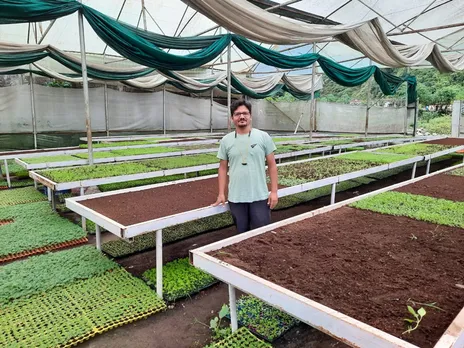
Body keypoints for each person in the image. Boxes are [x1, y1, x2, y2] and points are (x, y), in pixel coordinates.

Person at [212, 98, 278, 233]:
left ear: (251, 116)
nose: (241, 116)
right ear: (232, 118)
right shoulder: (226, 141)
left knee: (262, 236)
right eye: (237, 114)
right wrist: (221, 193)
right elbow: (223, 168)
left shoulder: (263, 137)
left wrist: (274, 191)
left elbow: (272, 165)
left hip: (259, 196)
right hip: (236, 198)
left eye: (245, 113)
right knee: (241, 236)